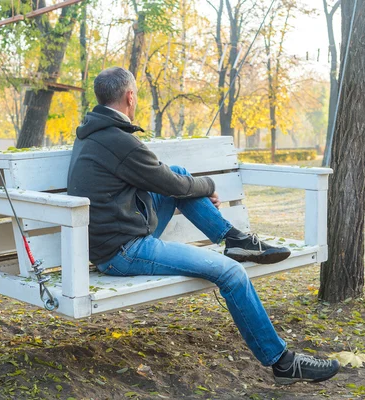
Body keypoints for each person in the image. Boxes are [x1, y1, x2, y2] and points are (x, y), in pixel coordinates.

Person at [67, 67, 340, 385]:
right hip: (122, 251)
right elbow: (173, 185)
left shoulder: (95, 132)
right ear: (130, 96)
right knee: (231, 273)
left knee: (180, 173)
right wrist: (208, 185)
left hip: (114, 235)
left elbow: (168, 179)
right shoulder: (118, 141)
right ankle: (282, 362)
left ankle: (234, 239)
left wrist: (189, 186)